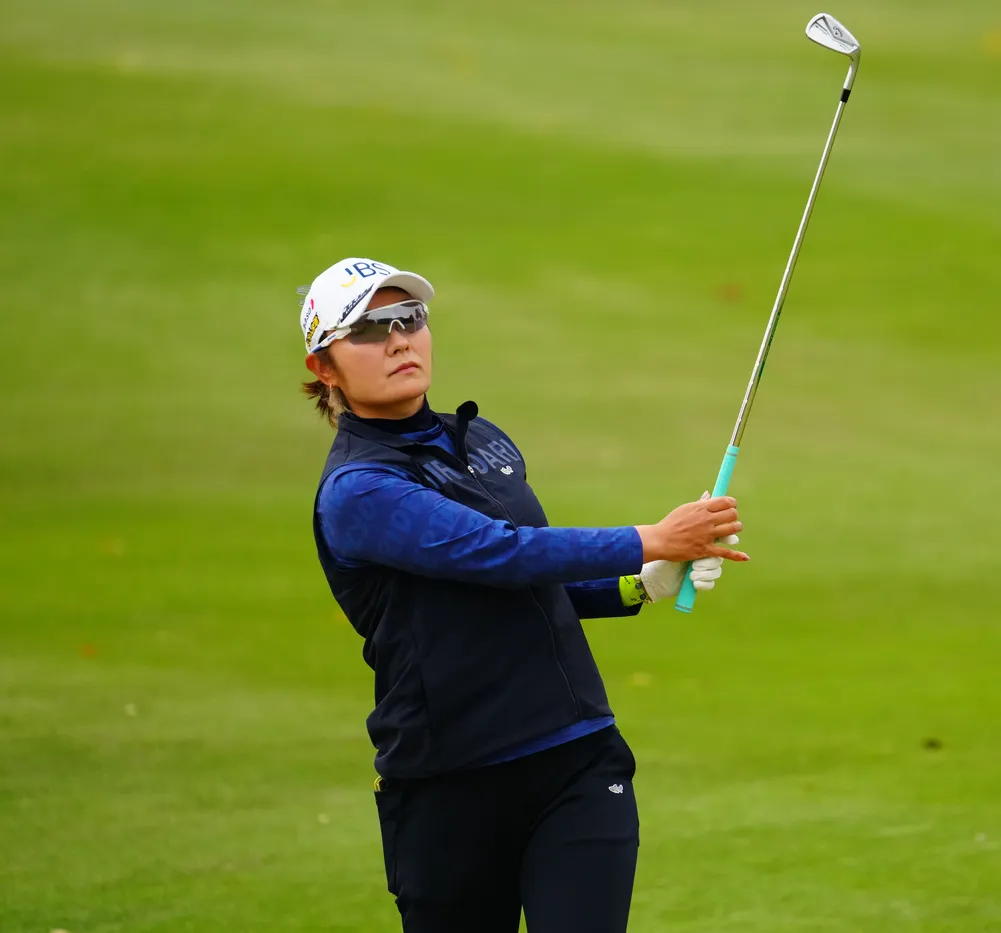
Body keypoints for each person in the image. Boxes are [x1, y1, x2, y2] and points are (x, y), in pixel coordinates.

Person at [297, 257, 748, 933]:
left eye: (410, 319)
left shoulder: (482, 440)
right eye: (367, 330)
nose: (398, 341)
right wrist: (651, 538)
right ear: (324, 367)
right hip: (449, 785)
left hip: (575, 757)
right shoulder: (358, 491)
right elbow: (498, 551)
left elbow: (530, 576)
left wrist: (643, 581)